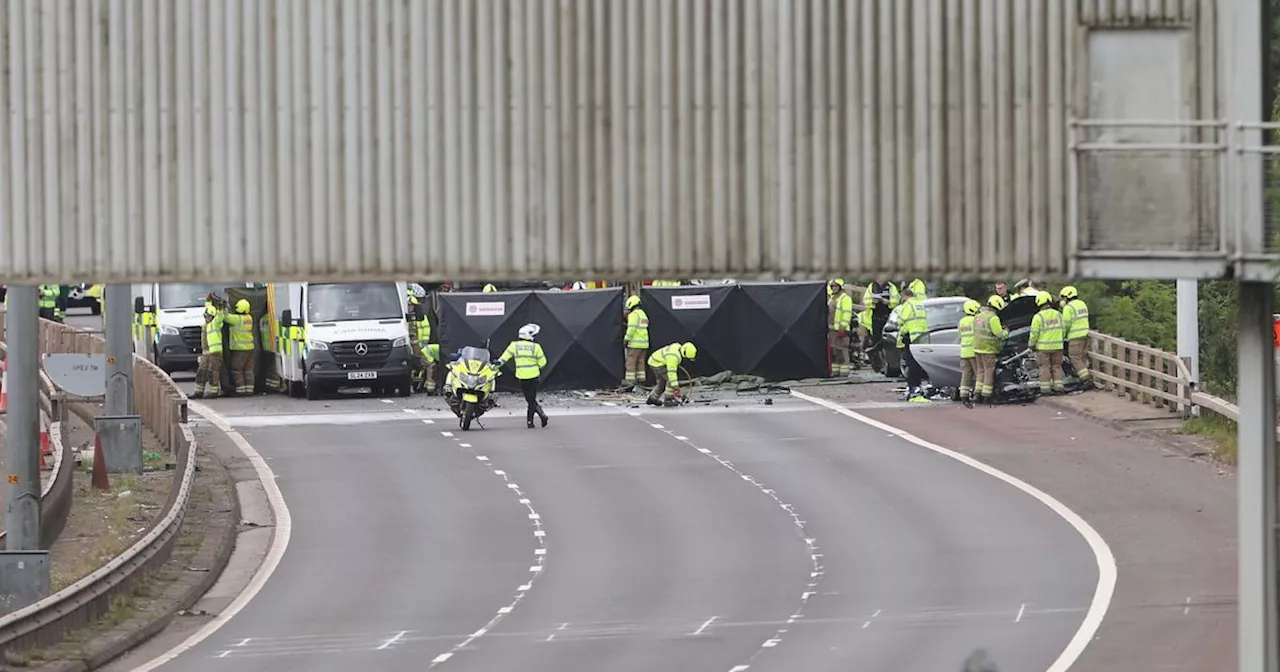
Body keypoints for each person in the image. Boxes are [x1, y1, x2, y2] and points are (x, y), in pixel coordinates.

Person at [499, 323, 549, 428]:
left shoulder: (514, 345)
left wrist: (493, 367)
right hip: (534, 376)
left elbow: (503, 358)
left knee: (529, 399)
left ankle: (535, 418)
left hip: (522, 376)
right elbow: (543, 363)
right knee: (532, 399)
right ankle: (536, 417)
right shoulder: (536, 347)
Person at [972, 295, 1010, 405]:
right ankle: (987, 395)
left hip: (977, 348)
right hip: (988, 349)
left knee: (980, 371)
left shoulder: (978, 316)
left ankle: (977, 393)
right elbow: (999, 334)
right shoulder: (993, 318)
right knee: (989, 371)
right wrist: (1006, 331)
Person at [1029, 291, 1066, 395]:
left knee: (1044, 367)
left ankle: (1046, 390)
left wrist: (1031, 345)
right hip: (1058, 347)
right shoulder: (1058, 314)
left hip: (1043, 348)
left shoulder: (1038, 317)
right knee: (1057, 366)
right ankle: (1059, 388)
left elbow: (1034, 334)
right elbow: (1063, 330)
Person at [896, 286, 928, 401]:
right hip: (921, 338)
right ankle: (917, 386)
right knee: (918, 364)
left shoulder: (907, 305)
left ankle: (913, 387)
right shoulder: (920, 304)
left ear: (904, 295)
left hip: (910, 337)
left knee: (911, 364)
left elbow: (900, 320)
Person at [1059, 285, 1094, 389]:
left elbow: (1066, 324)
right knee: (1082, 357)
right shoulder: (1082, 304)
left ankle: (1086, 379)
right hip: (1085, 335)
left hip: (1075, 336)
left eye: (1063, 297)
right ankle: (1081, 379)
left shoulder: (1068, 308)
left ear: (1067, 297)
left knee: (1074, 357)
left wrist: (1062, 336)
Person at [192, 296, 226, 399]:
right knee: (201, 372)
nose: (206, 318)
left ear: (212, 316)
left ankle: (213, 392)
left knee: (212, 372)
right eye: (205, 316)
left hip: (215, 353)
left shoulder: (215, 323)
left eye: (208, 316)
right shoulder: (206, 325)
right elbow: (209, 307)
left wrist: (220, 307)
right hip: (206, 353)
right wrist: (208, 300)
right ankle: (198, 392)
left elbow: (220, 316)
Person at [860, 275, 900, 358]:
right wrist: (872, 302)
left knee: (887, 339)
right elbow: (865, 300)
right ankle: (878, 360)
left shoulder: (891, 287)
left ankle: (888, 358)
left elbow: (896, 301)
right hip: (875, 316)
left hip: (887, 316)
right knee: (876, 339)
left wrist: (888, 302)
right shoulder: (871, 286)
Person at [646, 342, 697, 407]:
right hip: (658, 364)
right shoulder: (673, 357)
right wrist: (676, 387)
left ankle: (652, 399)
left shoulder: (677, 347)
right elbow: (671, 374)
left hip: (654, 361)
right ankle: (668, 400)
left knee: (662, 383)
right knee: (671, 381)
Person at [225, 299, 256, 395]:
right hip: (250, 348)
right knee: (248, 370)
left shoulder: (237, 319)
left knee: (236, 368)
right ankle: (249, 389)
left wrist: (225, 308)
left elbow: (225, 317)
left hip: (240, 349)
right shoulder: (249, 318)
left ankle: (241, 390)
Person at [827, 279, 854, 377]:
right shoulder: (832, 298)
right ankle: (835, 371)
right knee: (834, 350)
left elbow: (847, 313)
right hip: (831, 328)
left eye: (836, 286)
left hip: (840, 329)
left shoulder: (844, 298)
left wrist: (843, 326)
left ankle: (844, 371)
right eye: (832, 286)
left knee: (842, 350)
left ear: (840, 287)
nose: (834, 288)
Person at [623, 295, 650, 388]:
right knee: (641, 362)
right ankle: (641, 381)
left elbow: (631, 329)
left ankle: (629, 382)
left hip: (634, 344)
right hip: (644, 344)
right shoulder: (643, 314)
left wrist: (626, 339)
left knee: (631, 362)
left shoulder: (633, 315)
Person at [958, 299, 980, 408]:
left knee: (966, 375)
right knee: (978, 374)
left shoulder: (962, 321)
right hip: (974, 351)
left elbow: (959, 336)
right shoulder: (975, 320)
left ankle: (964, 395)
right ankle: (977, 395)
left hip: (964, 352)